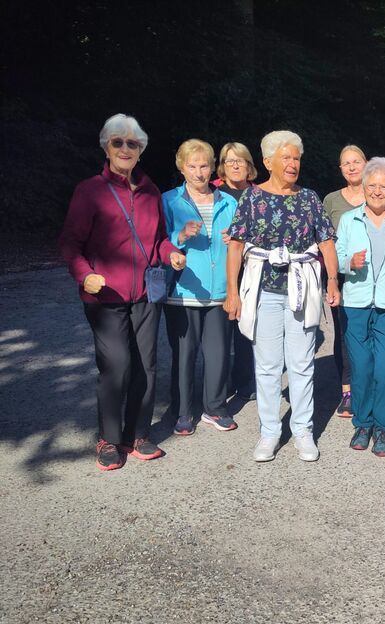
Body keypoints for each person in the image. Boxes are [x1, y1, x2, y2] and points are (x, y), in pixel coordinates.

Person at [58, 113, 186, 471]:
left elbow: (159, 240)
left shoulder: (151, 192)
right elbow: (70, 243)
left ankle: (138, 434)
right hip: (105, 296)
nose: (125, 148)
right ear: (106, 147)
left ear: (141, 150)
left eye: (133, 143)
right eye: (118, 142)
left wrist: (171, 253)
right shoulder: (89, 191)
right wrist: (85, 275)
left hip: (145, 294)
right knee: (116, 365)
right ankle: (109, 438)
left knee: (146, 366)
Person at [223, 130, 341, 463]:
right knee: (268, 365)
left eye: (296, 158)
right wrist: (232, 292)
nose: (292, 164)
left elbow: (326, 242)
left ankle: (303, 430)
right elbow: (235, 245)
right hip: (263, 291)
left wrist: (332, 280)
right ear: (268, 161)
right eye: (286, 157)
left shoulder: (310, 198)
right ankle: (270, 431)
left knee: (302, 364)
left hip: (302, 289)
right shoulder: (251, 197)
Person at [335, 157, 385, 457]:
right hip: (356, 304)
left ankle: (382, 426)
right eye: (372, 185)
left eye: (383, 186)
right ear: (364, 186)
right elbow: (336, 257)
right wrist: (348, 263)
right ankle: (363, 423)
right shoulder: (349, 220)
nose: (377, 191)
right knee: (361, 366)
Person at [162, 139, 238, 436]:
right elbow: (157, 241)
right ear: (181, 168)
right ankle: (183, 412)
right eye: (192, 166)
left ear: (212, 167)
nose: (198, 172)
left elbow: (241, 242)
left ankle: (215, 408)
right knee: (184, 354)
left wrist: (236, 242)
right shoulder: (168, 200)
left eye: (204, 165)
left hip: (220, 291)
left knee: (218, 354)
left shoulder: (228, 202)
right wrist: (179, 236)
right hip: (183, 291)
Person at [323, 145, 367, 418]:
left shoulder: (377, 193)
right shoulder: (331, 200)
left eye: (356, 162)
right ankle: (347, 391)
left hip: (373, 275)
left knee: (369, 332)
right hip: (340, 275)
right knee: (344, 332)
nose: (351, 167)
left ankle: (367, 385)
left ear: (366, 163)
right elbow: (324, 241)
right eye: (346, 163)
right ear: (340, 169)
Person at [213, 142, 258, 402]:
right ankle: (218, 384)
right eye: (229, 161)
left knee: (246, 326)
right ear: (222, 166)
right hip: (219, 268)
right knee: (220, 331)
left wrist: (243, 239)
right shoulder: (212, 192)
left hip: (251, 269)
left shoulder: (259, 194)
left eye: (240, 160)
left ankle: (243, 379)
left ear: (249, 165)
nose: (235, 165)